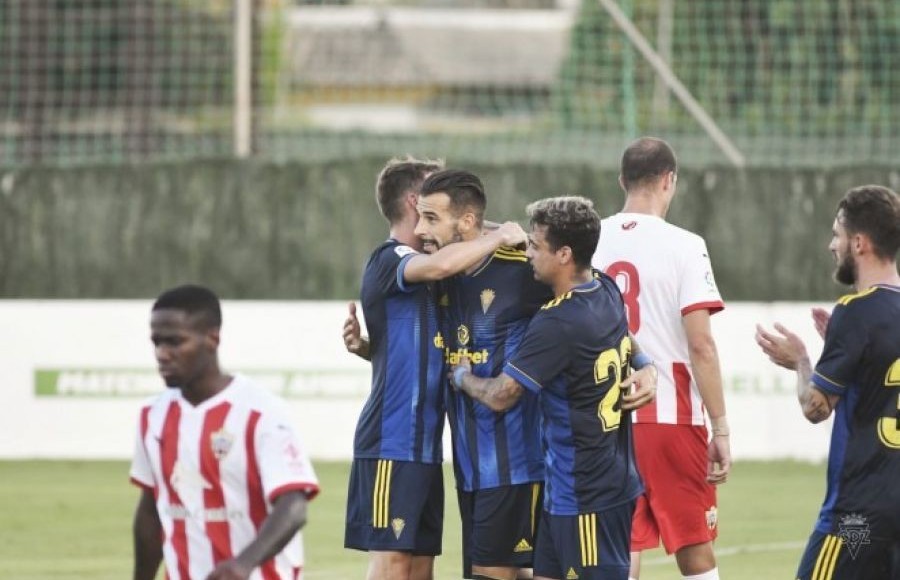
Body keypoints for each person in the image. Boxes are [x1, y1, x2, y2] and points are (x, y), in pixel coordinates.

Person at [450, 196, 657, 580]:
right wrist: (646, 364)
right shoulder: (605, 288)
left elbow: (502, 395)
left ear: (563, 254)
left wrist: (462, 378)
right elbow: (627, 341)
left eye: (535, 246)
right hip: (564, 491)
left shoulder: (557, 323)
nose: (526, 253)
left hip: (590, 497)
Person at [343, 158, 528, 580]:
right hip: (391, 441)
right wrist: (500, 234)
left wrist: (367, 348)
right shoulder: (391, 260)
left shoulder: (442, 263)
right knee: (393, 565)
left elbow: (416, 345)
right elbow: (444, 264)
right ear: (414, 201)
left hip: (427, 447)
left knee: (421, 567)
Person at [591, 137, 730, 580]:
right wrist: (721, 426)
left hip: (606, 417)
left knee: (622, 547)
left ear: (621, 181)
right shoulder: (685, 244)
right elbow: (701, 346)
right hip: (671, 415)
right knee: (694, 550)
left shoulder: (590, 239)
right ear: (669, 180)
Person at [755, 185, 900, 580]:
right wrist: (839, 351)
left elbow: (815, 407)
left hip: (858, 516)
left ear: (859, 242)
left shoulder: (856, 311)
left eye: (836, 234)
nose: (830, 245)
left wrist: (801, 361)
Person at [131, 284, 320, 580]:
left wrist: (243, 564)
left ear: (212, 338)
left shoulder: (261, 413)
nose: (162, 354)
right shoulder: (152, 416)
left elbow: (294, 506)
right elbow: (151, 511)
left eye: (175, 342)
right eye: (156, 343)